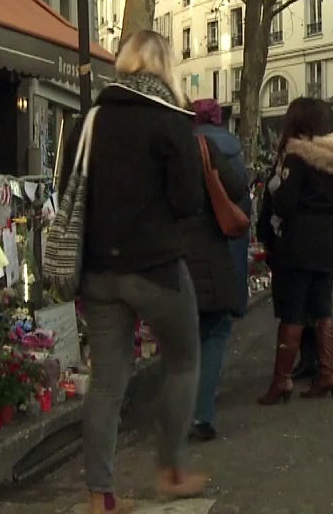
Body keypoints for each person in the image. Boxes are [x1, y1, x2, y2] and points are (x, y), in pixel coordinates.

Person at [59, 30, 243, 514]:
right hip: (156, 269)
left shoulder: (89, 121)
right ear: (164, 67)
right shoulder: (169, 122)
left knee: (106, 382)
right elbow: (186, 203)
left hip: (99, 272)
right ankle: (172, 469)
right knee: (183, 361)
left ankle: (100, 494)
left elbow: (68, 190)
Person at [256, 97, 333, 405]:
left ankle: (281, 380)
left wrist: (273, 189)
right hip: (329, 241)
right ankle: (328, 373)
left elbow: (285, 203)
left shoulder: (298, 157)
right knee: (322, 307)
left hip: (299, 241)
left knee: (293, 310)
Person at [185, 99, 250, 442]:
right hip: (211, 253)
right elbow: (239, 189)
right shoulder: (209, 147)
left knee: (183, 340)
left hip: (173, 260)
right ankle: (202, 414)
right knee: (214, 333)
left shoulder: (163, 152)